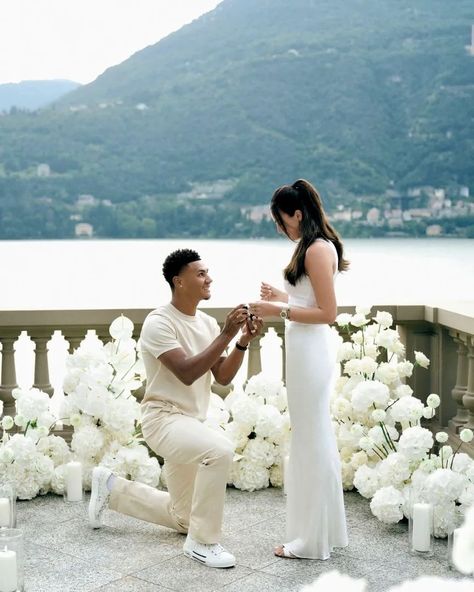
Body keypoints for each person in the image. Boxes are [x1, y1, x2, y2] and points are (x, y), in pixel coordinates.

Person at [88, 248, 263, 568]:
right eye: (201, 274)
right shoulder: (159, 322)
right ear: (178, 282)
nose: (209, 278)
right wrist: (226, 334)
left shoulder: (208, 323)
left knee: (183, 518)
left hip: (190, 424)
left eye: (208, 272)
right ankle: (203, 543)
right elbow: (185, 373)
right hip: (163, 419)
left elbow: (222, 376)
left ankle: (111, 488)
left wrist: (241, 342)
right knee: (220, 450)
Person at [249, 179, 349, 560]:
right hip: (304, 349)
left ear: (298, 214)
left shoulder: (318, 250)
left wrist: (279, 309)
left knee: (311, 440)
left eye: (281, 220)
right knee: (313, 436)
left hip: (311, 351)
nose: (279, 228)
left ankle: (311, 541)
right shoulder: (312, 248)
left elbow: (328, 313)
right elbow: (310, 299)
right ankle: (327, 531)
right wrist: (284, 297)